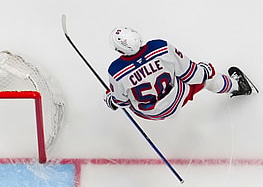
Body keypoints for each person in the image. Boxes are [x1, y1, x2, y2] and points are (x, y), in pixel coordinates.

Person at [104, 27, 254, 121]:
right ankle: (238, 85)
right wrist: (205, 71)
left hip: (149, 114)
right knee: (207, 78)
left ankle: (235, 85)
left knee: (122, 94)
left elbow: (121, 102)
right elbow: (190, 74)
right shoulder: (160, 47)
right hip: (176, 97)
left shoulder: (116, 71)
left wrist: (111, 99)